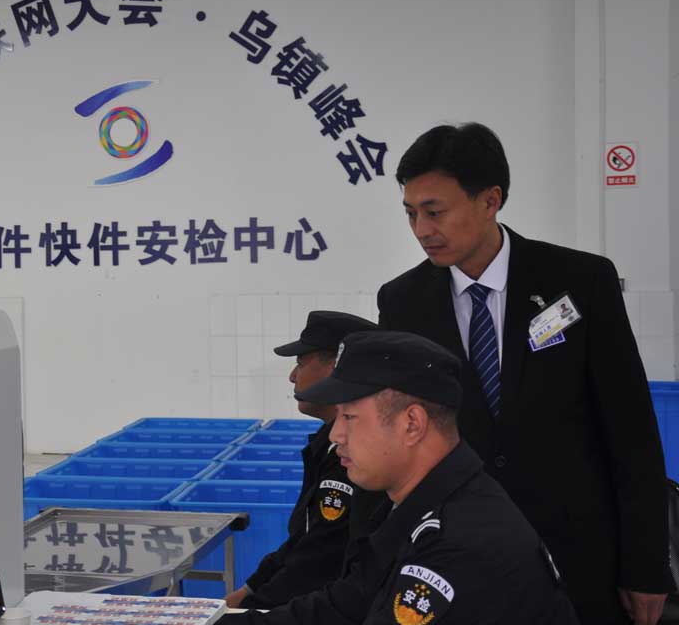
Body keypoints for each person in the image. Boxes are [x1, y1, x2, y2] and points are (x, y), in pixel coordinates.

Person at [375, 122, 672, 624]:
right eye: (410, 213)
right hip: (456, 558)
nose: (421, 229)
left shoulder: (579, 282)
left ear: (490, 201)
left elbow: (631, 430)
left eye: (434, 211)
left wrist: (646, 565)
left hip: (579, 557)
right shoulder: (403, 302)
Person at [217, 330, 578, 625]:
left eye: (349, 417)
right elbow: (348, 603)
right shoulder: (412, 504)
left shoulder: (458, 543)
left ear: (411, 424)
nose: (336, 435)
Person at [225, 311, 378, 609]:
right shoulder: (326, 444)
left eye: (300, 363)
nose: (293, 376)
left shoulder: (353, 457)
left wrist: (255, 608)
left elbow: (320, 559)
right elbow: (304, 539)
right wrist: (251, 588)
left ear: (336, 367)